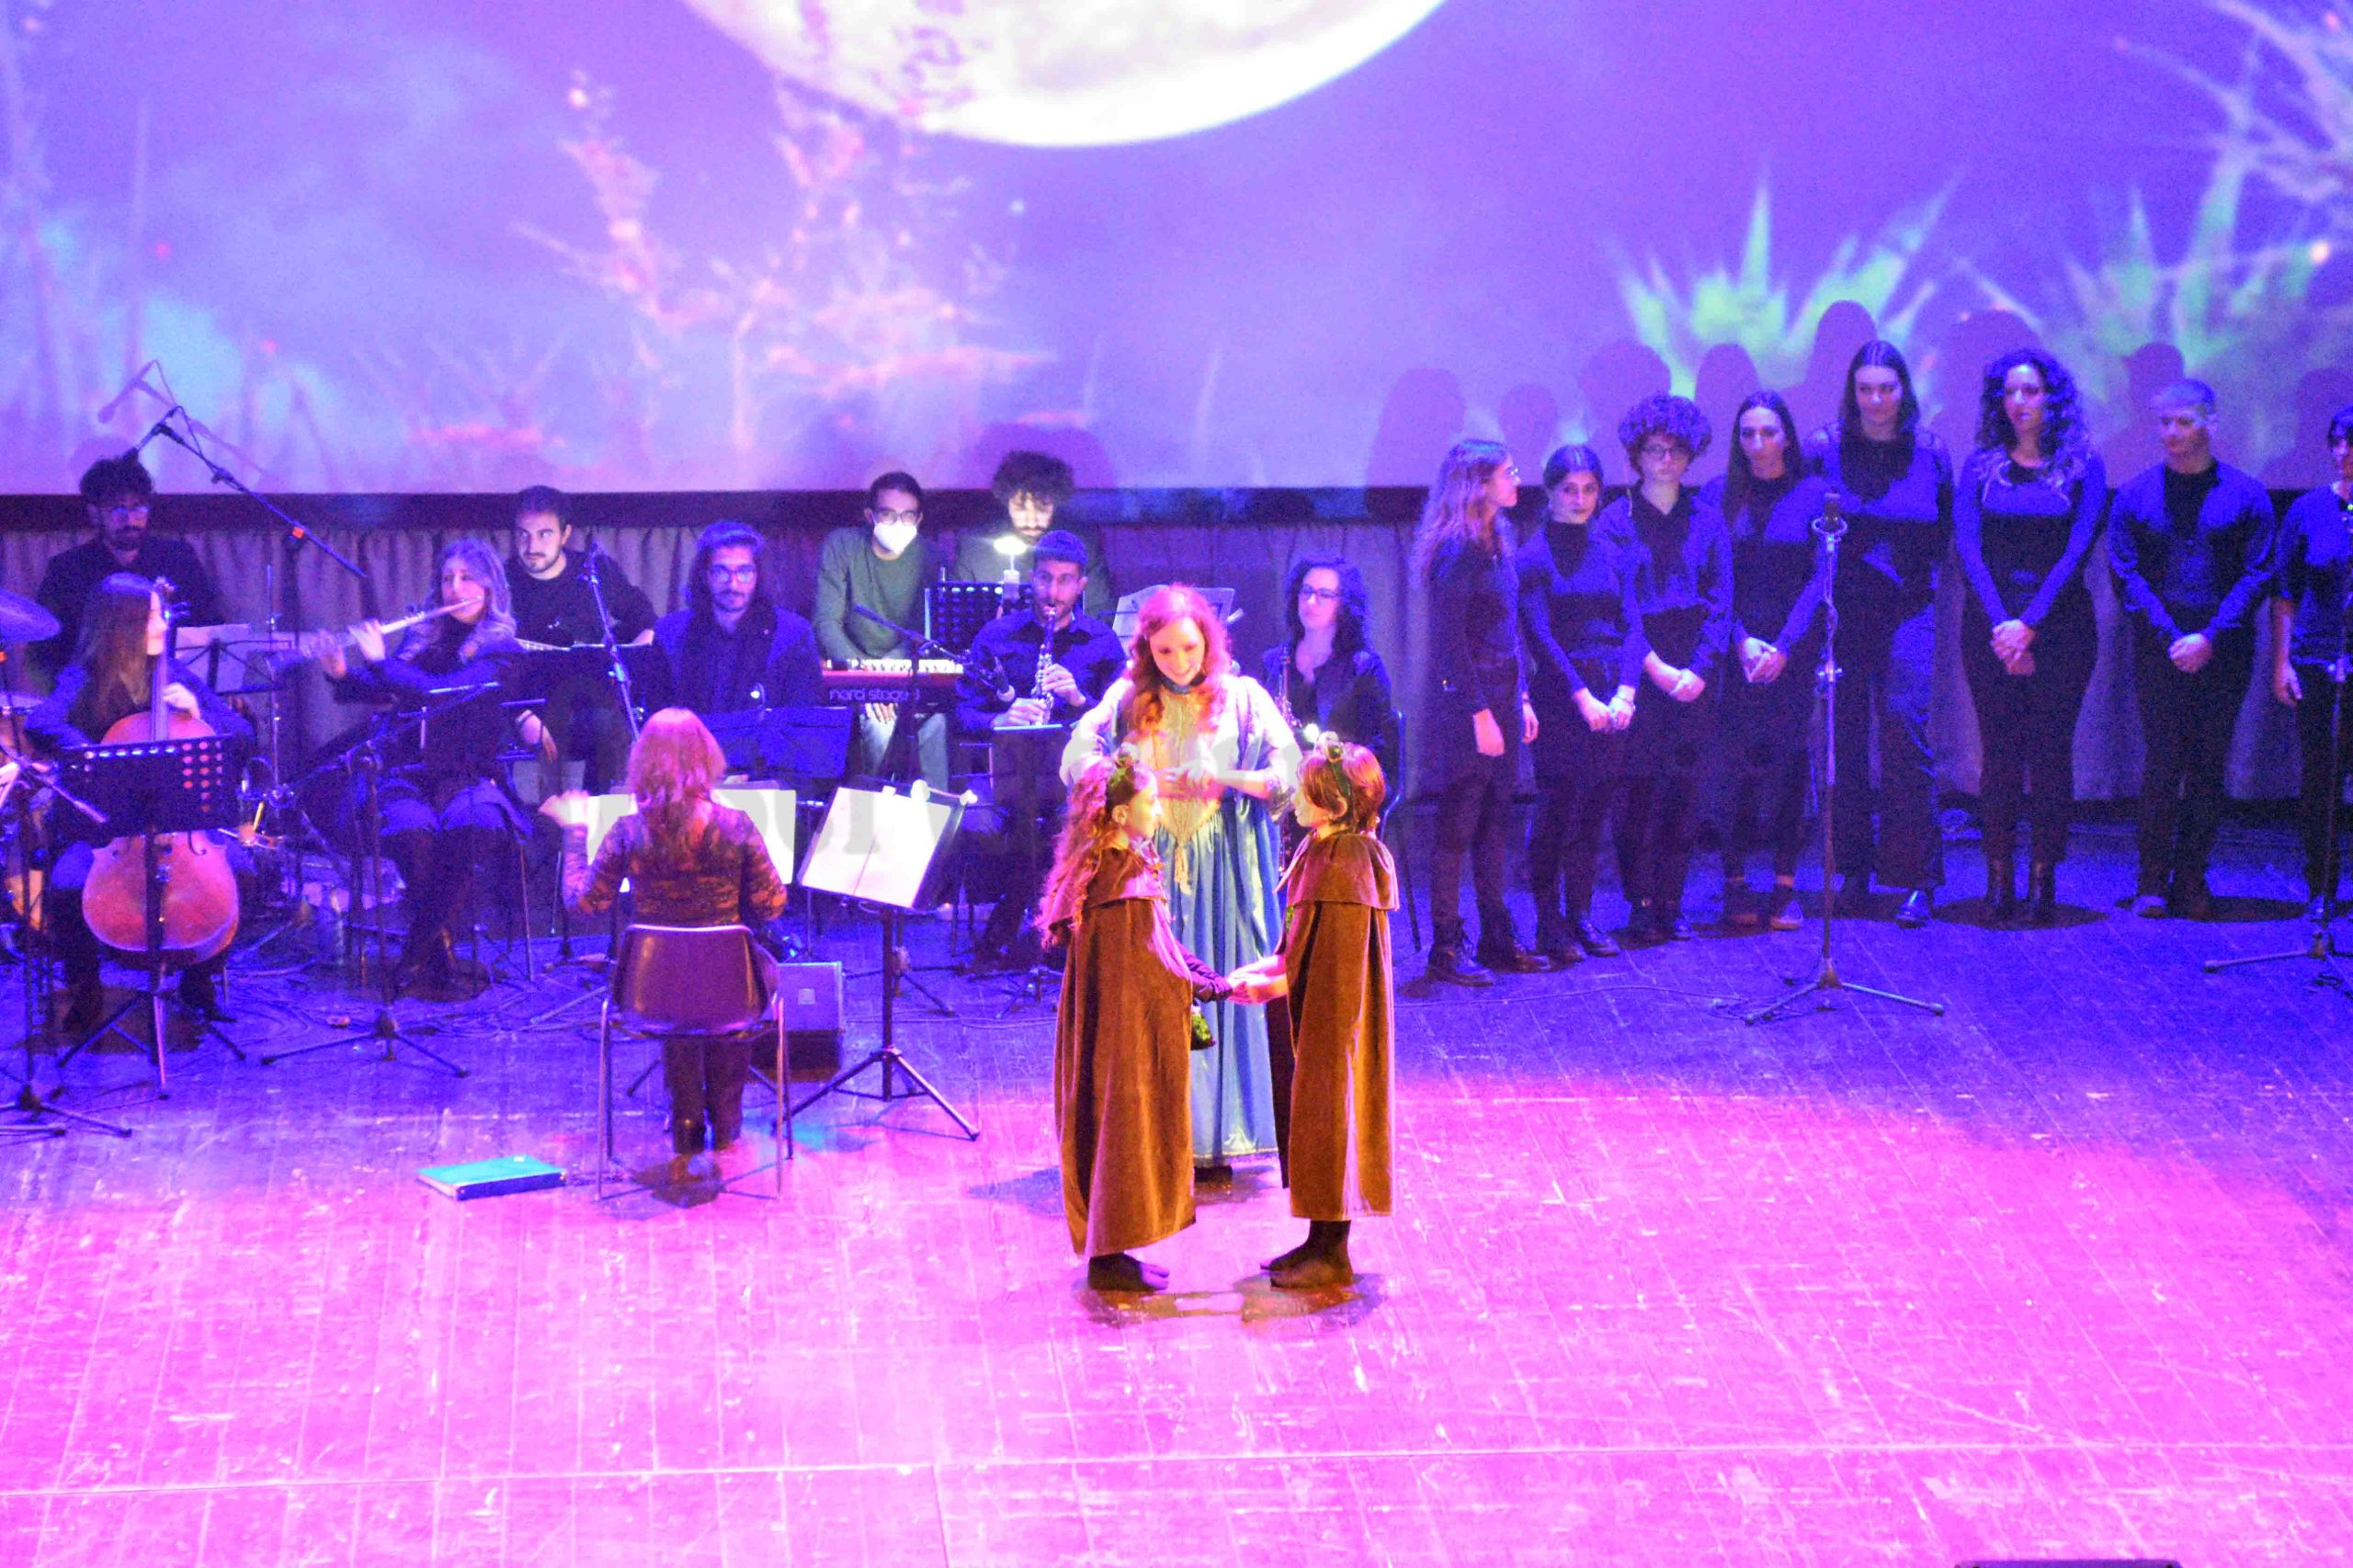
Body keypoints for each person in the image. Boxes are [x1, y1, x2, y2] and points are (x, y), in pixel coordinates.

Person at [1061, 585, 1300, 1165]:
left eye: (1190, 648)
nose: (1179, 662)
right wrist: (1140, 780)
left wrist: (1225, 778)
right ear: (1147, 648)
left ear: (1209, 643)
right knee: (1158, 990)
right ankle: (1164, 1134)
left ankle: (1225, 1133)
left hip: (1229, 870)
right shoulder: (1125, 696)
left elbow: (1290, 773)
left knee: (1224, 984)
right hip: (1152, 869)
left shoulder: (1243, 697)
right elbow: (1075, 761)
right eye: (1164, 651)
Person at [544, 709, 791, 1185]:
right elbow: (772, 905)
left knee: (680, 990)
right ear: (706, 759)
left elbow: (585, 903)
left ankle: (686, 1124)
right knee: (731, 983)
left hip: (650, 992)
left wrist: (574, 833)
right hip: (731, 990)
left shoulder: (628, 831)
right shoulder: (736, 826)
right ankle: (727, 1121)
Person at [306, 539, 540, 997]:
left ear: (490, 588)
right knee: (411, 832)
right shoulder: (421, 638)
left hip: (469, 774)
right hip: (407, 773)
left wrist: (380, 660)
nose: (455, 589)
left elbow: (441, 692)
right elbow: (385, 688)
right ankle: (438, 955)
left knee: (474, 828)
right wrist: (341, 671)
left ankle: (413, 957)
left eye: (467, 578)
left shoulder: (504, 649)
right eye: (448, 579)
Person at [1040, 746, 1233, 1294]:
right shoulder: (1118, 883)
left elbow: (1161, 945)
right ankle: (1108, 1258)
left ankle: (1116, 1251)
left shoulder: (1114, 869)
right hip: (1119, 1035)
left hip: (1114, 1027)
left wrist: (1203, 974)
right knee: (1120, 1132)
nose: (1159, 811)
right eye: (1151, 803)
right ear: (1122, 814)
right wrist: (1208, 986)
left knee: (1118, 1130)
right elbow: (1150, 962)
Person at [26, 574, 252, 1030]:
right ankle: (86, 993)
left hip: (178, 825)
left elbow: (243, 734)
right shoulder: (83, 676)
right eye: (151, 616)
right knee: (67, 886)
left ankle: (198, 983)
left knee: (243, 872)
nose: (163, 625)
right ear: (121, 625)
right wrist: (94, 753)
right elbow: (40, 723)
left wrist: (200, 713)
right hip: (105, 830)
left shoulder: (174, 673)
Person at [1228, 737, 1397, 1290]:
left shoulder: (1349, 861)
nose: (1296, 801)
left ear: (1336, 806)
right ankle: (1316, 1241)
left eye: (1306, 794)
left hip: (1336, 1019)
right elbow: (1302, 940)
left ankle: (1333, 1252)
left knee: (1332, 1120)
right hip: (1314, 1011)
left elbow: (1336, 963)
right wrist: (1268, 967)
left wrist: (1274, 985)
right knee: (1313, 1123)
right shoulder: (1321, 847)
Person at [2108, 380, 2278, 918]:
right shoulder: (2135, 494)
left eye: (2184, 422)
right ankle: (2151, 882)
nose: (2172, 433)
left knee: (2208, 767)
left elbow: (2258, 574)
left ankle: (2192, 880)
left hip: (2224, 654)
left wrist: (2210, 637)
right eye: (2165, 423)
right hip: (2159, 653)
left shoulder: (2247, 494)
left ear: (2211, 423)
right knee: (2161, 764)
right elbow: (2125, 573)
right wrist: (2171, 637)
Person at [1953, 350, 2109, 925]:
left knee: (2049, 754)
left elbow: (2077, 551)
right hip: (1989, 629)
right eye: (2010, 392)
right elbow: (1968, 549)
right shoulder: (1980, 466)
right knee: (1998, 755)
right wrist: (2004, 626)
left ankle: (2044, 876)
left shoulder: (2083, 466)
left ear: (2052, 399)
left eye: (2031, 392)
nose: (2019, 402)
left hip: (2061, 629)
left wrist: (2030, 626)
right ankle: (1998, 876)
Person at [1806, 341, 1955, 926]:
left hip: (1908, 611)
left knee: (1903, 728)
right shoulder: (1825, 448)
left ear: (1903, 391)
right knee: (1843, 739)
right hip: (1842, 612)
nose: (1875, 401)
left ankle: (1917, 878)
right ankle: (1852, 869)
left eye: (1886, 389)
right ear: (1852, 392)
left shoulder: (1930, 451)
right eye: (1865, 389)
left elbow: (1945, 530)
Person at [954, 529, 1125, 970]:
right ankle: (1043, 934)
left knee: (1071, 817)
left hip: (1072, 776)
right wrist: (1000, 720)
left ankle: (1012, 928)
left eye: (1065, 581)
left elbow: (1123, 721)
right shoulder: (996, 636)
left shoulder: (1102, 642)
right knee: (981, 820)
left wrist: (1079, 700)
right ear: (1032, 578)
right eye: (1046, 578)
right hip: (1006, 773)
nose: (1054, 592)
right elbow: (963, 711)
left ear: (1081, 585)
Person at [1414, 438, 1550, 983]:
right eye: (1507, 473)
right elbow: (1451, 646)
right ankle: (1446, 947)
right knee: (1459, 822)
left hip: (1503, 694)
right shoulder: (1458, 552)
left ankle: (1497, 934)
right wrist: (1480, 713)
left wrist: (1521, 698)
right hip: (1468, 704)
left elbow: (1506, 629)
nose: (1517, 480)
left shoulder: (1498, 539)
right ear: (1478, 484)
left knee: (1496, 819)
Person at [1607, 394, 1733, 942]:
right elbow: (1621, 605)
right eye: (1655, 450)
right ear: (1637, 455)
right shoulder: (1616, 519)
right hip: (1639, 666)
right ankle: (1639, 900)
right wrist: (1655, 669)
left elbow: (1722, 600)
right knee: (1637, 791)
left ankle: (1671, 900)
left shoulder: (1708, 517)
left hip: (1696, 669)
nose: (1666, 460)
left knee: (1684, 789)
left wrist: (1700, 669)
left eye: (1676, 451)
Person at [1703, 392, 1830, 931]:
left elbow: (1821, 578)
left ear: (1788, 437)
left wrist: (1783, 646)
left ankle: (1783, 885)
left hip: (1790, 654)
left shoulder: (1816, 494)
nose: (1758, 444)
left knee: (1788, 767)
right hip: (1734, 652)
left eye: (1769, 432)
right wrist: (1740, 641)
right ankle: (1734, 883)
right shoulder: (1717, 495)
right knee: (1731, 769)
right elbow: (1711, 578)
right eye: (1748, 434)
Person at [1518, 444, 1640, 960]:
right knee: (1557, 807)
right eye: (1569, 490)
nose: (1580, 499)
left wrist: (1627, 691)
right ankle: (1548, 922)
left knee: (1594, 808)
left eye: (1589, 490)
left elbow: (1633, 624)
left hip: (1611, 689)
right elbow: (1540, 634)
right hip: (1562, 693)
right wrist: (1582, 697)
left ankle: (1581, 915)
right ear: (1550, 492)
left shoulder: (1613, 548)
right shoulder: (1533, 555)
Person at [505, 485, 658, 791]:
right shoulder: (501, 578)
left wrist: (632, 666)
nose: (532, 546)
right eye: (523, 535)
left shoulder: (593, 573)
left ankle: (598, 812)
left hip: (586, 705)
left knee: (609, 728)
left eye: (544, 534)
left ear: (565, 534)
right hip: (523, 707)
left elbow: (646, 621)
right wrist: (521, 716)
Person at [2268, 403, 2353, 919]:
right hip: (2318, 660)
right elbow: (2285, 592)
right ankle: (2321, 886)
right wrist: (2283, 662)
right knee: (2321, 779)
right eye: (2337, 442)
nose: (2344, 452)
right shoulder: (2308, 510)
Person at [34, 452, 223, 678]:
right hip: (96, 690)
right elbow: (45, 653)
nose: (130, 519)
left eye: (138, 507)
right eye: (118, 509)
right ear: (95, 513)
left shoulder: (179, 558)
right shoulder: (67, 570)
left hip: (172, 685)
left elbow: (209, 625)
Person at [813, 472, 948, 783]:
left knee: (936, 722)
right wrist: (868, 681)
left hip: (907, 668)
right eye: (888, 515)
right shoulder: (842, 546)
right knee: (878, 725)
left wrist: (890, 678)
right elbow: (826, 623)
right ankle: (872, 804)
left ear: (919, 519)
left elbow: (927, 631)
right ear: (870, 516)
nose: (898, 524)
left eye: (908, 516)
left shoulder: (931, 557)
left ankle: (939, 809)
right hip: (851, 669)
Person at [650, 520, 823, 720]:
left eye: (744, 572)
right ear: (704, 575)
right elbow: (658, 719)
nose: (733, 584)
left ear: (758, 575)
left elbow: (802, 718)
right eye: (721, 572)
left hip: (764, 741)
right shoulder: (671, 633)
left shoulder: (792, 634)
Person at [1260, 555, 1398, 788]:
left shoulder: (1363, 667)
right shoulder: (1274, 662)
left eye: (1324, 595)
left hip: (1341, 788)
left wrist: (1332, 764)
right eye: (1306, 591)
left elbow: (1380, 748)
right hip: (1282, 786)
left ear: (1344, 604)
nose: (1310, 601)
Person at [952, 450, 1115, 616]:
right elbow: (958, 612)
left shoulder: (1083, 545)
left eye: (1042, 508)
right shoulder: (974, 548)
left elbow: (1099, 611)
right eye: (1020, 508)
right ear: (1007, 502)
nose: (1031, 520)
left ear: (1055, 502)